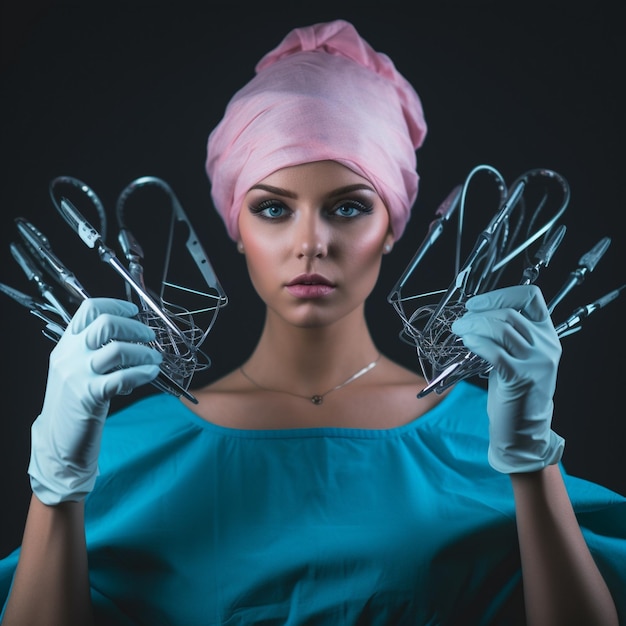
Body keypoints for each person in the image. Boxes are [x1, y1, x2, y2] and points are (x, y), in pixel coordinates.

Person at [0, 18, 625, 626]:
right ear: (236, 229)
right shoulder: (123, 451)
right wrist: (55, 485)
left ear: (392, 227)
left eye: (348, 207)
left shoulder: (487, 437)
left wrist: (531, 460)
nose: (310, 243)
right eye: (273, 209)